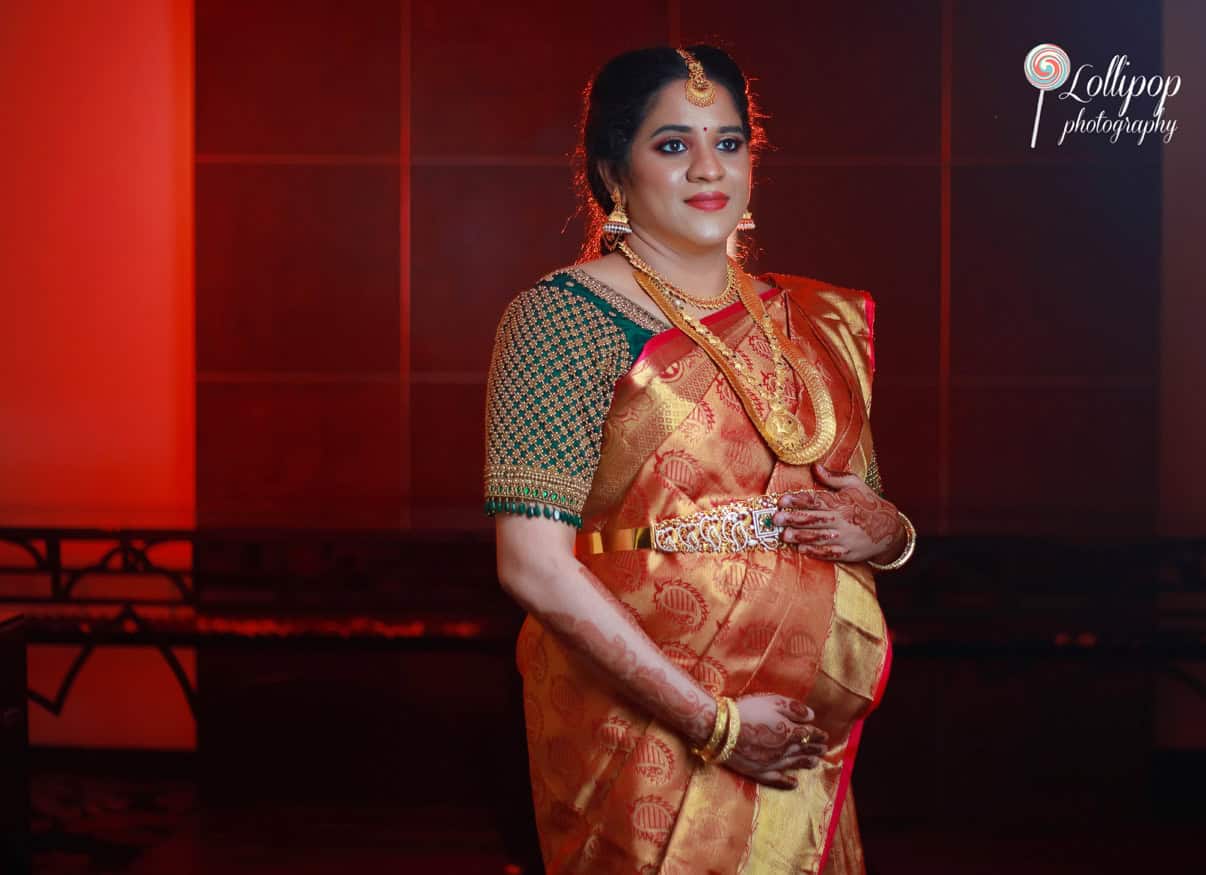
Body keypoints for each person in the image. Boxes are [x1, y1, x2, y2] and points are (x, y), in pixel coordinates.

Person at [483, 44, 915, 875]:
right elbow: (531, 564)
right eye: (672, 144)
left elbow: (865, 507)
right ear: (613, 168)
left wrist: (888, 533)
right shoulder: (562, 319)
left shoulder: (812, 323)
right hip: (641, 719)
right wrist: (711, 720)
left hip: (794, 723)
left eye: (729, 141)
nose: (707, 167)